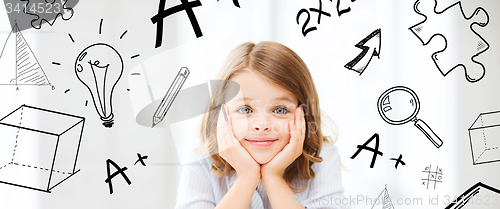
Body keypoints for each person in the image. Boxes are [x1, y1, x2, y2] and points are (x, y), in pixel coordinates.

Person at [175, 41, 349, 209]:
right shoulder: (201, 160)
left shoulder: (322, 158)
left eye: (280, 110)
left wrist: (273, 177)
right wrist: (246, 177)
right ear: (221, 115)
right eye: (245, 109)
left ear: (303, 113)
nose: (262, 125)